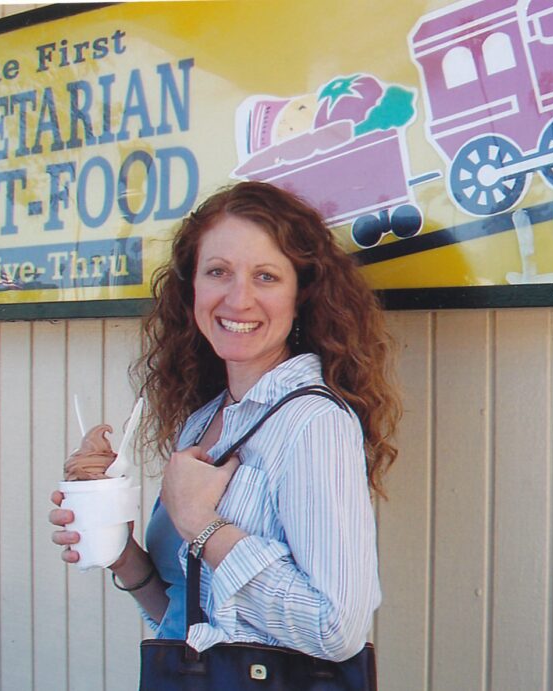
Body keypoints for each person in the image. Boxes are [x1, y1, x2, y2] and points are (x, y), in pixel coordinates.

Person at [49, 181, 401, 662]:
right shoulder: (203, 421)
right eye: (218, 272)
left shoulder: (313, 422)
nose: (238, 300)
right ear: (191, 286)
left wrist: (201, 524)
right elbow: (187, 619)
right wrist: (124, 556)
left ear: (301, 295)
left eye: (266, 277)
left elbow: (336, 630)